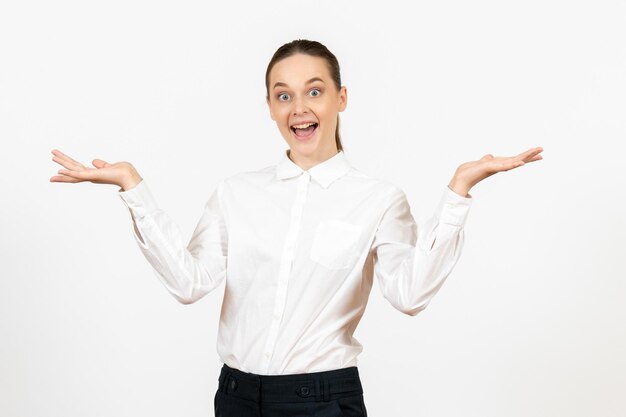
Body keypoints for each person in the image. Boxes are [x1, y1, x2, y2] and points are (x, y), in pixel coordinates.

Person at [50, 39, 543, 417]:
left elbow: (410, 294)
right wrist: (133, 188)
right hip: (236, 396)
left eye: (314, 91)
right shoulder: (235, 193)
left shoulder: (377, 199)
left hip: (323, 400)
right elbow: (188, 283)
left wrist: (459, 190)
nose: (298, 108)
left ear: (341, 97)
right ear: (268, 105)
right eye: (282, 95)